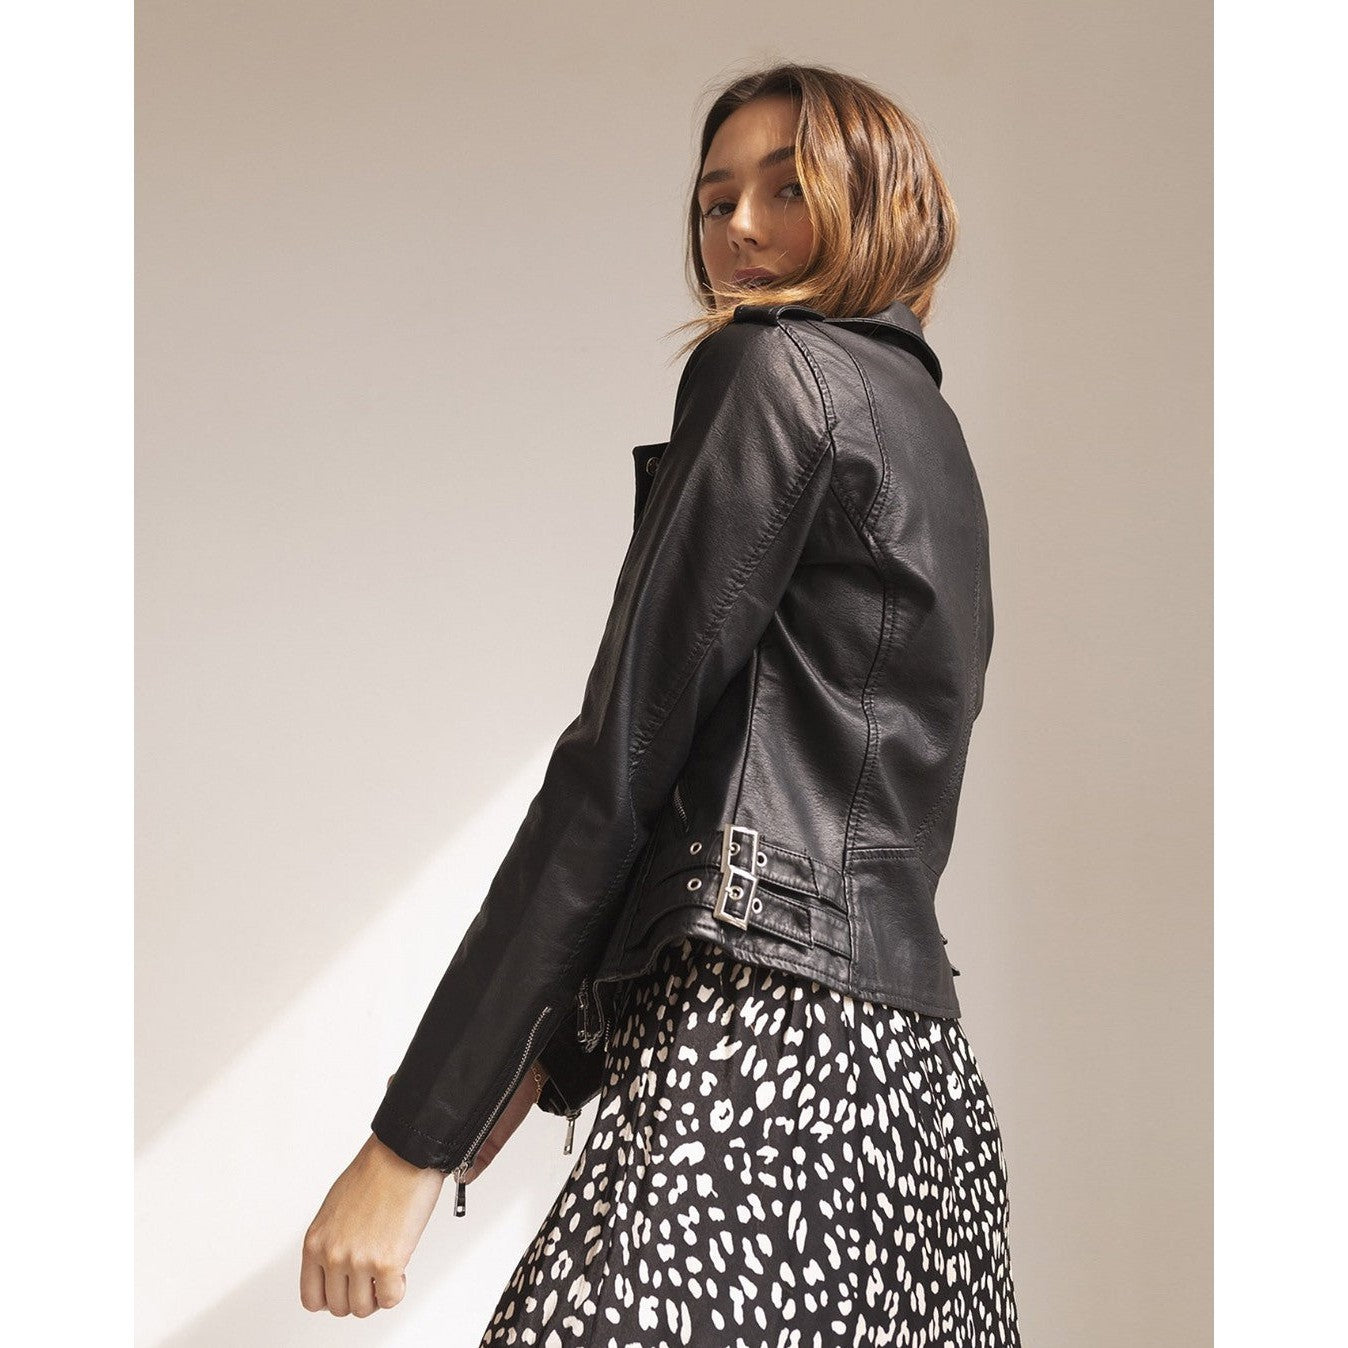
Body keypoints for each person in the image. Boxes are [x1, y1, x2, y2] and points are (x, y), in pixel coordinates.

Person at [301, 62, 1021, 1345]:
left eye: (784, 189)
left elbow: (621, 764)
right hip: (915, 1100)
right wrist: (557, 1046)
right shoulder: (934, 437)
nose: (737, 226)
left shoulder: (770, 370)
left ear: (882, 200)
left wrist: (412, 1141)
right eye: (712, 199)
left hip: (760, 1059)